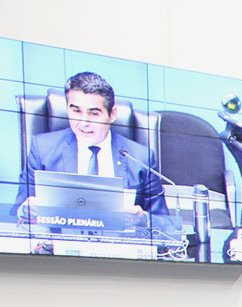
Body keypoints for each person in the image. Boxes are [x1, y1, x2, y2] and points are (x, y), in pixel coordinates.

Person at [13, 71, 170, 222]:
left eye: (94, 113)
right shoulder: (42, 150)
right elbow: (15, 214)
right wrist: (26, 211)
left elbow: (165, 223)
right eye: (76, 111)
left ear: (112, 114)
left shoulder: (140, 158)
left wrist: (142, 219)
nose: (84, 123)